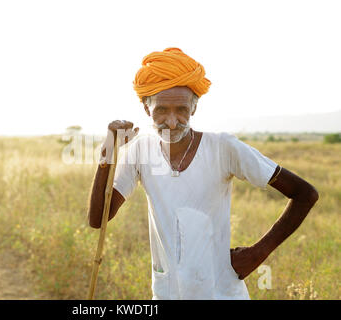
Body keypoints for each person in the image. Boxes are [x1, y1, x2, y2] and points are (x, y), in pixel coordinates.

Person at [87, 48, 319, 299]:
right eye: (161, 110)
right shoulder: (141, 151)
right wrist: (107, 153)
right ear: (146, 108)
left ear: (194, 109)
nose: (172, 121)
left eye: (182, 110)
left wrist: (257, 253)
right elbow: (98, 219)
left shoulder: (223, 147)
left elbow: (305, 194)